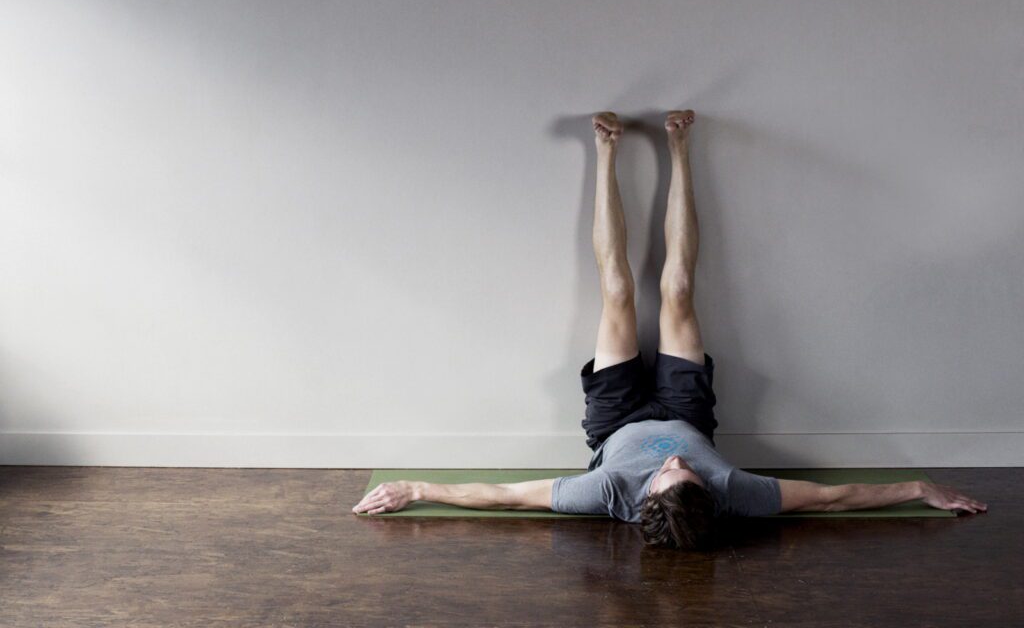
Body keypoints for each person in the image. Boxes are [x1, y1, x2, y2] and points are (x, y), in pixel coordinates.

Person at [352, 111, 987, 549]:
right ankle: (681, 150)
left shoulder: (601, 491)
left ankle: (605, 153)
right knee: (678, 289)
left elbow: (506, 498)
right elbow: (832, 499)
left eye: (668, 473)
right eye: (693, 474)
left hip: (617, 417)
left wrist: (413, 487)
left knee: (619, 291)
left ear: (645, 494)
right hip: (686, 407)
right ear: (710, 496)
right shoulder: (735, 492)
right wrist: (918, 488)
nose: (681, 463)